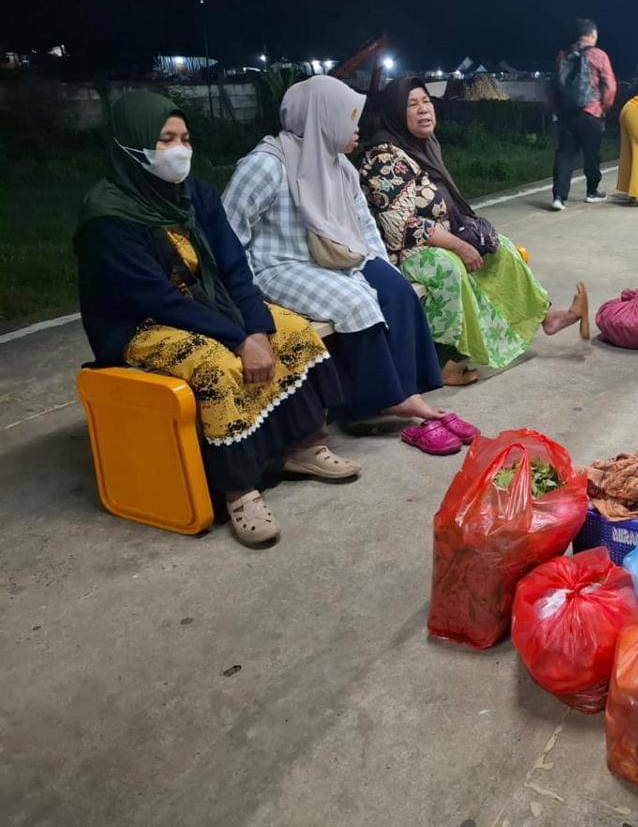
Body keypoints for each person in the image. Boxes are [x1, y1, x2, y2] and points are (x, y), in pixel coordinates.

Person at [75, 92, 360, 547]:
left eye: (184, 137)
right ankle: (240, 490)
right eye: (164, 139)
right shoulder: (107, 218)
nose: (179, 149)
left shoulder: (196, 196)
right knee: (214, 365)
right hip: (141, 325)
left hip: (213, 305)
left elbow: (233, 268)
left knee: (294, 332)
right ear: (131, 143)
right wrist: (237, 337)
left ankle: (303, 446)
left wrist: (257, 328)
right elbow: (158, 299)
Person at [222, 75, 478, 457]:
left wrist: (381, 267)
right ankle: (381, 401)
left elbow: (364, 227)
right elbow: (229, 232)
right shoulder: (266, 166)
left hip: (333, 257)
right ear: (321, 120)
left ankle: (407, 388)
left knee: (397, 291)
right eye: (348, 119)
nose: (356, 129)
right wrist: (245, 294)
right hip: (277, 265)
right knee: (356, 303)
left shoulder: (338, 165)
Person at [359, 77, 589, 385]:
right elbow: (399, 226)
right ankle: (442, 362)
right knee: (449, 268)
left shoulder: (423, 146)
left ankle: (548, 317)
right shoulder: (383, 158)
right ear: (394, 113)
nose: (423, 110)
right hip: (403, 251)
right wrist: (459, 245)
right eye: (411, 105)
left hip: (441, 236)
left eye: (426, 101)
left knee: (500, 248)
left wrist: (469, 238)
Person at [551, 17, 616, 211]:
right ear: (592, 35)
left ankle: (559, 198)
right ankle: (592, 192)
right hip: (590, 112)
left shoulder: (563, 55)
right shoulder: (598, 55)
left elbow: (556, 86)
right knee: (592, 154)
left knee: (564, 155)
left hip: (567, 114)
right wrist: (604, 107)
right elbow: (610, 86)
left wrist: (558, 110)